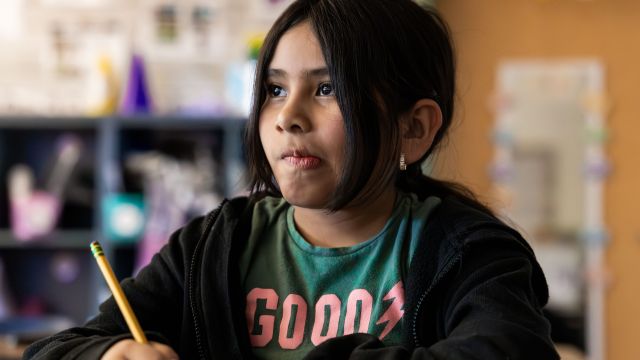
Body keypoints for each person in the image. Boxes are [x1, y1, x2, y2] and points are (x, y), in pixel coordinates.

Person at [24, 0, 560, 359]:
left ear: (413, 128)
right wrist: (112, 353)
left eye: (327, 90)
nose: (287, 117)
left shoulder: (469, 252)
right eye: (276, 90)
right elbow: (58, 348)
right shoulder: (216, 243)